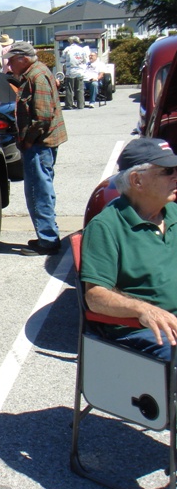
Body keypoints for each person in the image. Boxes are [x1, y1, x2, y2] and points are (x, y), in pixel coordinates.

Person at [81, 137, 177, 360]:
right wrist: (144, 310)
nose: (175, 176)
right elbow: (95, 296)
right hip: (144, 331)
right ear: (137, 180)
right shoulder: (107, 226)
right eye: (167, 171)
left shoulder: (172, 212)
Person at [3, 41, 68, 256]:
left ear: (23, 59)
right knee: (42, 189)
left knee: (38, 191)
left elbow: (42, 117)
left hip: (39, 144)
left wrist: (28, 141)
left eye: (12, 61)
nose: (9, 65)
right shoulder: (36, 72)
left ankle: (48, 240)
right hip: (43, 143)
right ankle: (47, 236)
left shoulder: (36, 76)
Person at [62, 36, 89, 109]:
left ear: (71, 42)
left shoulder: (67, 49)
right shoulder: (82, 50)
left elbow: (62, 60)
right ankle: (81, 105)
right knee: (80, 89)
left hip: (70, 71)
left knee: (69, 89)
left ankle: (69, 105)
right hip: (80, 71)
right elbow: (86, 60)